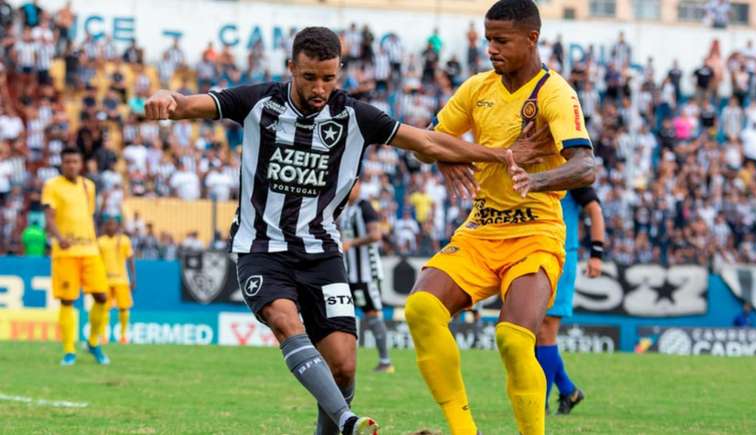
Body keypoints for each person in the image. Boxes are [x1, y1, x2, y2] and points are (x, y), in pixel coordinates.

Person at [143, 26, 551, 435]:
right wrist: (168, 99)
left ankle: (337, 423)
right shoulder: (257, 101)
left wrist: (500, 156)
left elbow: (428, 143)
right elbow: (188, 104)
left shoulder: (357, 117)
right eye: (309, 78)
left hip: (322, 253)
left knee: (343, 365)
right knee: (286, 321)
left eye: (328, 78)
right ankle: (347, 421)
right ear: (291, 69)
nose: (320, 88)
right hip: (262, 247)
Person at [404, 1, 596, 434]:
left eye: (501, 40)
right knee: (420, 309)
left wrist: (538, 181)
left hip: (535, 232)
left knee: (512, 338)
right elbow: (425, 142)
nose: (491, 48)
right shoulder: (477, 89)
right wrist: (442, 157)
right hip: (482, 229)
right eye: (488, 38)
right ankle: (463, 429)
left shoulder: (555, 93)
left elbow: (586, 166)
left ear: (532, 39)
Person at [536, 187, 605, 415]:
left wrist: (596, 254)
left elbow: (594, 209)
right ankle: (568, 390)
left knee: (546, 330)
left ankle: (540, 403)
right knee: (532, 332)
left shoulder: (570, 169)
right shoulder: (533, 166)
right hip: (532, 253)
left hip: (561, 255)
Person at [42, 147, 110, 365]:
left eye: (75, 161)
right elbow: (49, 218)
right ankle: (69, 350)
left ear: (81, 164)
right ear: (62, 163)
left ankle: (92, 342)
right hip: (66, 252)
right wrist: (59, 237)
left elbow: (88, 216)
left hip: (90, 249)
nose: (71, 165)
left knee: (102, 296)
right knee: (68, 300)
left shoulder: (88, 186)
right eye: (67, 161)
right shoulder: (52, 185)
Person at [340, 180, 393, 373]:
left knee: (371, 314)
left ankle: (385, 362)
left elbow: (376, 235)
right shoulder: (347, 209)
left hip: (366, 274)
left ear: (359, 185)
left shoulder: (365, 207)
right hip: (349, 272)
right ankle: (342, 358)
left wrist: (351, 243)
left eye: (351, 185)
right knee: (343, 315)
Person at [97, 215, 136, 344]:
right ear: (104, 227)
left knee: (124, 308)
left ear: (118, 226)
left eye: (113, 224)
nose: (110, 227)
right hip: (105, 280)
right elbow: (96, 262)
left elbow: (130, 259)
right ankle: (103, 336)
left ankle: (123, 336)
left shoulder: (124, 240)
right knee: (104, 308)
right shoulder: (100, 242)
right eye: (108, 224)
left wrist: (133, 278)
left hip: (122, 280)